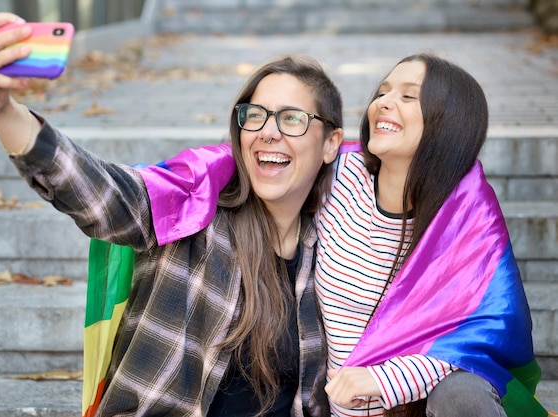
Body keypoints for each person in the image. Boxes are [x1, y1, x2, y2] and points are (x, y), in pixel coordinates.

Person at [0, 12, 346, 417]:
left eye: (292, 119)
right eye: (255, 115)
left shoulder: (336, 246)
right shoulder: (190, 209)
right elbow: (103, 194)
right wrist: (2, 113)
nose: (269, 131)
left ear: (330, 144)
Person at [129, 54, 554, 417]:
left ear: (450, 124)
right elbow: (254, 157)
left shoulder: (468, 214)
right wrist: (163, 187)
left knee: (464, 393)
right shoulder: (338, 178)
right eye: (383, 91)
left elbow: (483, 335)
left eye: (407, 96)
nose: (383, 103)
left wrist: (386, 381)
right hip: (335, 406)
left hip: (417, 404)